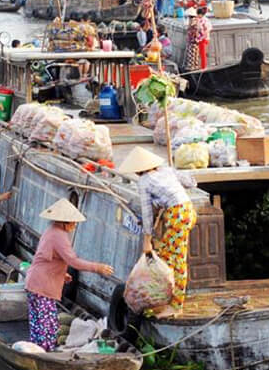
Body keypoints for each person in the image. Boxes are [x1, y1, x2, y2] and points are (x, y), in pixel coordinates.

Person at [23, 199, 114, 351]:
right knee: (48, 325)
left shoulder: (51, 231)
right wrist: (98, 268)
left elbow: (47, 258)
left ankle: (38, 350)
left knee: (38, 323)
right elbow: (73, 261)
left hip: (35, 282)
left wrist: (62, 274)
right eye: (73, 221)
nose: (75, 224)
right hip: (42, 286)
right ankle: (45, 354)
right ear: (64, 222)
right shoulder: (59, 235)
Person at [119, 146, 197, 317]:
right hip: (188, 211)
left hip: (178, 215)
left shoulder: (144, 181)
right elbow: (192, 182)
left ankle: (176, 305)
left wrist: (147, 240)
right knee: (166, 256)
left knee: (177, 261)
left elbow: (147, 214)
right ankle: (164, 299)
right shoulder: (166, 170)